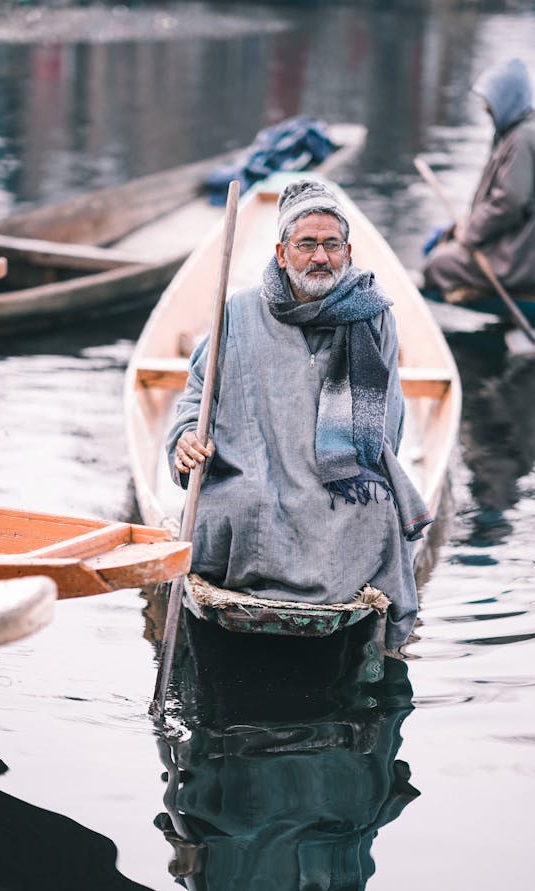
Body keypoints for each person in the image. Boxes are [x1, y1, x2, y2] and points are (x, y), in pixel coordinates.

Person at [167, 179, 431, 652]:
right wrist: (187, 439)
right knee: (242, 504)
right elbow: (195, 399)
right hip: (257, 473)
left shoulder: (373, 316)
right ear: (282, 251)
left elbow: (388, 423)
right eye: (306, 244)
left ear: (348, 251)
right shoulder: (240, 312)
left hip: (339, 482)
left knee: (375, 511)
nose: (320, 257)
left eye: (331, 244)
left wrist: (349, 469)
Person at [423, 57, 535, 298]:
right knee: (443, 244)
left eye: (491, 102)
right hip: (519, 252)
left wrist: (469, 233)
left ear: (507, 101)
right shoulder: (519, 133)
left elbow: (509, 202)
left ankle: (490, 289)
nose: (485, 108)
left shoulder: (523, 139)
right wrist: (461, 228)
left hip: (521, 260)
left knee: (437, 265)